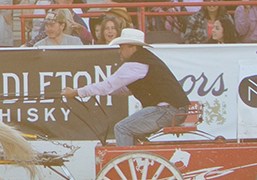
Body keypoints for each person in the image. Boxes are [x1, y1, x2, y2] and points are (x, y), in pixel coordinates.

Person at [60, 27, 192, 143]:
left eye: (122, 47)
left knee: (122, 128)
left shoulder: (136, 64)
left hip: (169, 110)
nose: (119, 51)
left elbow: (108, 85)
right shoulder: (144, 59)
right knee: (130, 130)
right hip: (174, 109)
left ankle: (126, 164)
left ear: (132, 47)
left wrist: (76, 92)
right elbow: (121, 89)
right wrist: (103, 91)